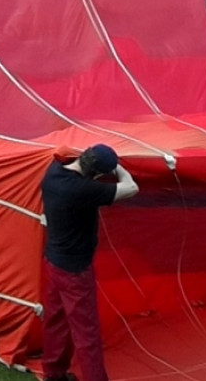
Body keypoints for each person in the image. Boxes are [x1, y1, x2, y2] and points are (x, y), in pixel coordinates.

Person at [39, 144, 138, 381]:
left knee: (56, 321)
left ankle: (53, 373)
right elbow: (131, 187)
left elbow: (62, 152)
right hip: (75, 271)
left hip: (52, 262)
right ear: (97, 174)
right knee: (86, 333)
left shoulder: (53, 172)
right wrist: (118, 168)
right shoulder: (83, 190)